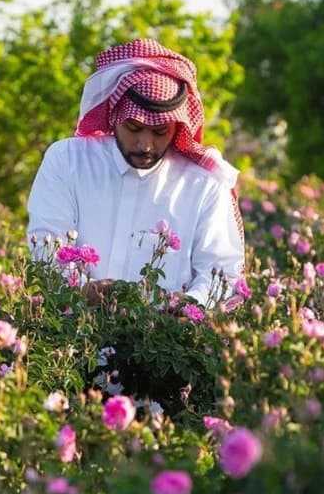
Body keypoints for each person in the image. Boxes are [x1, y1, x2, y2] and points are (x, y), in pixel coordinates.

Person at [26, 38, 245, 308]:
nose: (145, 144)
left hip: (164, 344)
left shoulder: (204, 184)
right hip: (73, 336)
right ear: (115, 115)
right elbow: (46, 246)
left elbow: (222, 271)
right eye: (133, 127)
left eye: (160, 131)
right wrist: (81, 291)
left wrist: (187, 305)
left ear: (177, 126)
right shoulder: (67, 160)